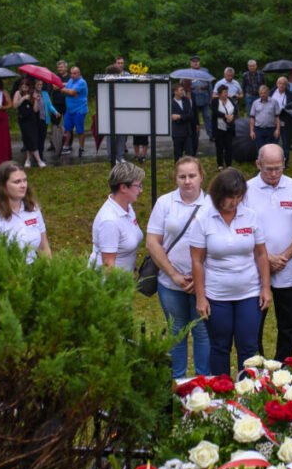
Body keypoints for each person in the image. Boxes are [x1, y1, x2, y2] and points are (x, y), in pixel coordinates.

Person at [190, 168, 271, 377]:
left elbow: (261, 254)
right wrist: (201, 297)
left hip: (249, 292)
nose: (234, 202)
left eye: (238, 197)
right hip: (217, 295)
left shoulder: (250, 216)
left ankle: (248, 394)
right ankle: (222, 394)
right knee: (219, 346)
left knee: (248, 346)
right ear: (218, 195)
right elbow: (197, 261)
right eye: (229, 197)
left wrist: (265, 288)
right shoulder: (203, 219)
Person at [246, 144, 292, 361]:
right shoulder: (246, 190)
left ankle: (284, 369)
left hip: (288, 268)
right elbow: (241, 230)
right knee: (254, 325)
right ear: (258, 164)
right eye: (268, 169)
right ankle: (257, 369)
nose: (274, 174)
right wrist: (265, 258)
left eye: (278, 168)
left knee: (288, 324)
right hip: (255, 269)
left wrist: (284, 256)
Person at [147, 157, 211, 378]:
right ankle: (178, 384)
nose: (187, 181)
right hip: (170, 282)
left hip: (203, 283)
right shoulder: (165, 203)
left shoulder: (211, 205)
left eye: (192, 175)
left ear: (201, 176)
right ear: (175, 178)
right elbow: (152, 242)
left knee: (203, 333)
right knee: (177, 332)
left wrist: (198, 278)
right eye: (182, 176)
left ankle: (204, 383)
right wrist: (173, 274)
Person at [0, 160, 51, 264]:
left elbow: (43, 246)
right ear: (2, 186)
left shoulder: (33, 209)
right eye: (17, 182)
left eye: (25, 180)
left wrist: (50, 271)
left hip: (34, 271)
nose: (23, 185)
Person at [90, 162, 145, 272]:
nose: (141, 190)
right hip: (108, 286)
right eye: (138, 186)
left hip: (124, 280)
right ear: (123, 187)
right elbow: (108, 267)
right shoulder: (109, 221)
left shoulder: (127, 207)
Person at [13, 77, 46, 168]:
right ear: (20, 86)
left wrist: (36, 100)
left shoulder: (32, 94)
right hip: (23, 120)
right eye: (23, 85)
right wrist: (23, 98)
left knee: (32, 139)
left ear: (29, 86)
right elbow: (15, 105)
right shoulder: (18, 93)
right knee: (28, 138)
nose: (24, 86)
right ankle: (39, 161)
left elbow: (35, 110)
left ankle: (28, 160)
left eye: (26, 85)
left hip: (32, 119)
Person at [60, 66, 89, 157]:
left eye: (74, 73)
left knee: (79, 130)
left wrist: (64, 90)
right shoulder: (71, 81)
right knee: (67, 129)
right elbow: (68, 91)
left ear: (79, 73)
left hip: (79, 109)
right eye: (71, 73)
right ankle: (66, 147)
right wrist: (67, 91)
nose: (72, 75)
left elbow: (72, 92)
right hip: (70, 110)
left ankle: (81, 148)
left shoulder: (81, 82)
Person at [270, 76, 292, 166]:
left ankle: (285, 162)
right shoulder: (271, 92)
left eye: (284, 84)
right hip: (273, 123)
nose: (281, 85)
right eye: (280, 83)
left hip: (285, 123)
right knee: (274, 142)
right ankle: (273, 161)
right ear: (277, 84)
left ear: (286, 85)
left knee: (286, 143)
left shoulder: (290, 95)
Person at [188, 56, 213, 148]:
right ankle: (196, 136)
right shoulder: (187, 73)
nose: (196, 63)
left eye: (197, 61)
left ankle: (211, 135)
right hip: (193, 98)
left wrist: (211, 97)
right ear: (191, 63)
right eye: (194, 62)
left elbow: (209, 84)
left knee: (207, 117)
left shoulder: (205, 71)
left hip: (204, 96)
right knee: (195, 119)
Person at [248, 84, 281, 153]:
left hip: (271, 130)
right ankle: (261, 163)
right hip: (259, 130)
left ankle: (272, 163)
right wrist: (251, 131)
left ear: (268, 92)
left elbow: (278, 117)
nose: (263, 95)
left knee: (272, 150)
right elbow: (252, 117)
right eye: (261, 93)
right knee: (260, 150)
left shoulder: (274, 102)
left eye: (264, 93)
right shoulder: (255, 103)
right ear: (259, 93)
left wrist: (278, 129)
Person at [212, 84, 237, 170]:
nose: (226, 94)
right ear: (219, 93)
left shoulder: (230, 100)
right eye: (224, 92)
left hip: (229, 127)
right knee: (220, 146)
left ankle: (229, 164)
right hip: (219, 127)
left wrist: (232, 116)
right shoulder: (215, 101)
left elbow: (236, 109)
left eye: (227, 92)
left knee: (229, 146)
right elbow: (215, 112)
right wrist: (225, 116)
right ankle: (220, 164)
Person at [48, 60, 69, 156]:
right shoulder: (54, 76)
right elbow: (53, 86)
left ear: (66, 68)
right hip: (56, 104)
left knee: (68, 124)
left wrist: (60, 85)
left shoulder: (70, 76)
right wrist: (64, 84)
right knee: (54, 123)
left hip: (67, 103)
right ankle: (53, 143)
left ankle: (67, 144)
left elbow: (70, 85)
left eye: (61, 67)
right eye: (58, 67)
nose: (60, 69)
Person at [35, 79, 59, 161]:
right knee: (36, 138)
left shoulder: (45, 94)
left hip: (44, 119)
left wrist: (55, 112)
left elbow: (49, 105)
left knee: (42, 138)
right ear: (35, 85)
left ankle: (40, 155)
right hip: (35, 120)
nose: (39, 86)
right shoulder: (32, 94)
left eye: (41, 85)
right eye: (38, 84)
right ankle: (36, 156)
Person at [170, 83, 194, 161]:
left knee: (189, 153)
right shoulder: (171, 103)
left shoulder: (186, 100)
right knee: (178, 154)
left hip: (187, 132)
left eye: (183, 90)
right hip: (177, 133)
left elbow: (190, 115)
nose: (183, 91)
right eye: (181, 90)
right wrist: (184, 116)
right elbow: (174, 118)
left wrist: (180, 116)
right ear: (175, 92)